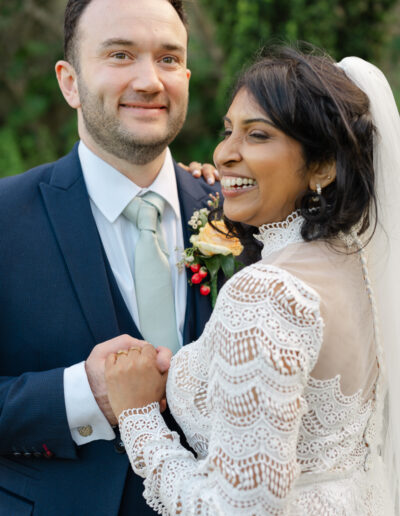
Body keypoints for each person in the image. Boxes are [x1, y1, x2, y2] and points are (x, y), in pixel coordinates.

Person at [105, 46, 400, 515]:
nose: (224, 153)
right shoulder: (361, 267)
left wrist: (138, 418)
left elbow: (238, 509)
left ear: (323, 166)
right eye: (228, 132)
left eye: (257, 135)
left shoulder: (267, 291)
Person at [0, 0, 225, 515]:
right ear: (70, 81)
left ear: (187, 75)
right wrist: (84, 394)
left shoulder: (242, 218)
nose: (149, 81)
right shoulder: (5, 219)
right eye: (120, 55)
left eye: (168, 59)